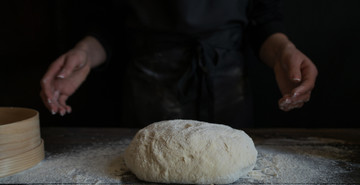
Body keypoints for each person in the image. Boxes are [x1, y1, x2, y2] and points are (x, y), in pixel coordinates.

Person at [40, 0, 317, 128]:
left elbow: (263, 19)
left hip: (226, 90)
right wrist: (84, 53)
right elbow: (109, 26)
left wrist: (284, 52)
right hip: (149, 92)